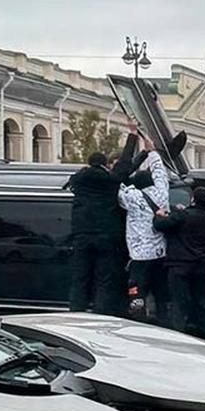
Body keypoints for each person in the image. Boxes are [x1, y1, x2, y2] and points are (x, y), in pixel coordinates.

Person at [65, 133, 138, 314]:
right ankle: (100, 312)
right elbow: (125, 165)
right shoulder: (110, 181)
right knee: (103, 279)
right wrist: (133, 137)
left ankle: (76, 312)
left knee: (80, 277)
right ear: (105, 164)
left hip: (81, 235)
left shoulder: (78, 181)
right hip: (106, 235)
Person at [118, 133, 171, 323]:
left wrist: (137, 154)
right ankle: (165, 322)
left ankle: (138, 320)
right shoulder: (162, 193)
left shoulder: (130, 197)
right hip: (160, 255)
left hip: (139, 258)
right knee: (161, 294)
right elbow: (160, 172)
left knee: (137, 293)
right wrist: (152, 152)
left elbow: (117, 179)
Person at [153, 186, 205, 339]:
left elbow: (160, 225)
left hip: (179, 264)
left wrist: (159, 215)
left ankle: (178, 334)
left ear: (192, 199)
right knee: (201, 300)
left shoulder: (183, 215)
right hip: (199, 264)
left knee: (179, 301)